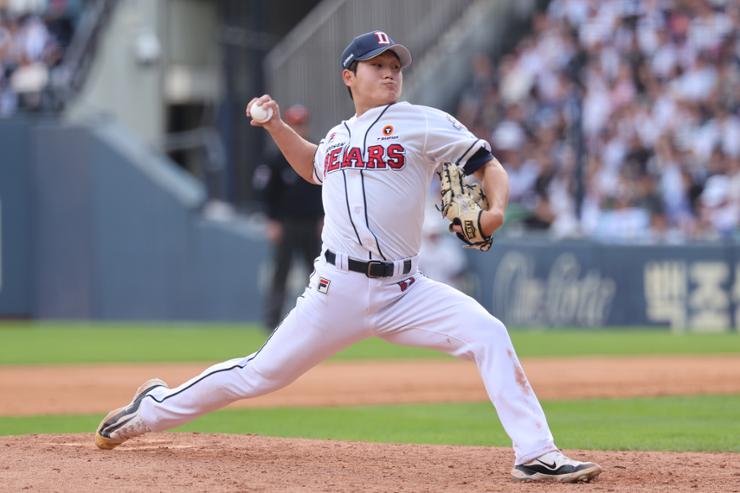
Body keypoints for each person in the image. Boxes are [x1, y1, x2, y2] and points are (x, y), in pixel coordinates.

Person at [95, 30, 602, 483]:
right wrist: (274, 126)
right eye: (377, 64)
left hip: (406, 290)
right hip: (334, 289)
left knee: (487, 332)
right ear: (349, 76)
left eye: (395, 65)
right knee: (259, 374)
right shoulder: (336, 138)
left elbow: (487, 165)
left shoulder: (422, 123)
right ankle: (150, 410)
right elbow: (311, 163)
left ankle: (535, 453)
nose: (389, 72)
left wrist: (495, 210)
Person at [254, 104, 323, 330]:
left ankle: (316, 319)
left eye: (301, 124)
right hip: (286, 223)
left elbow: (328, 189)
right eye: (294, 124)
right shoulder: (276, 157)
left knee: (316, 274)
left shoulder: (316, 152)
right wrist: (272, 220)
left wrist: (325, 218)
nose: (299, 128)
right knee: (280, 273)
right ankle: (271, 321)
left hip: (312, 223)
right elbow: (266, 191)